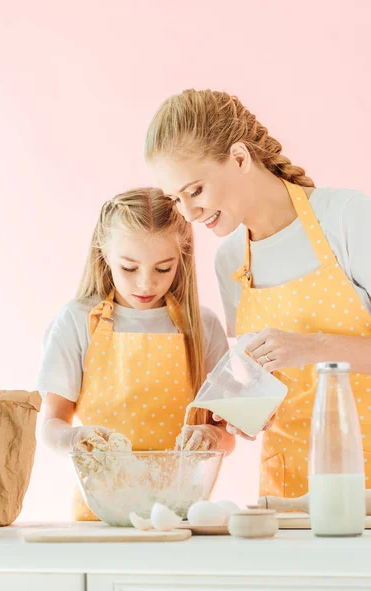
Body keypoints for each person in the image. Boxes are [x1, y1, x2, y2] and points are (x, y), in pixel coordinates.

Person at [145, 88, 371, 498]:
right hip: (287, 493)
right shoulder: (231, 260)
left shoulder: (349, 219)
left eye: (195, 191)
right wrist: (230, 419)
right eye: (177, 199)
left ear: (240, 158)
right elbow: (262, 383)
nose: (190, 213)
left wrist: (311, 348)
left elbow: (297, 352)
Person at [38, 187, 233, 519]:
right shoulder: (77, 322)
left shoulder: (203, 326)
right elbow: (51, 424)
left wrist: (212, 436)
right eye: (129, 268)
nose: (146, 284)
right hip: (98, 518)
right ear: (105, 256)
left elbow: (227, 435)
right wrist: (75, 439)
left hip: (180, 517)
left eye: (163, 268)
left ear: (181, 259)